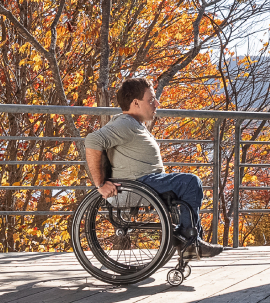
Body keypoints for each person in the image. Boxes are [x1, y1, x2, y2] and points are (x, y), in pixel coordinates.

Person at [82, 77, 225, 258]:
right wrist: (100, 184)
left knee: (187, 183)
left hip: (144, 182)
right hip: (137, 185)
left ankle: (189, 239)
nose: (156, 103)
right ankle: (188, 242)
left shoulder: (133, 124)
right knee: (190, 182)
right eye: (151, 100)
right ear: (135, 103)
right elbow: (93, 140)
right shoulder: (125, 123)